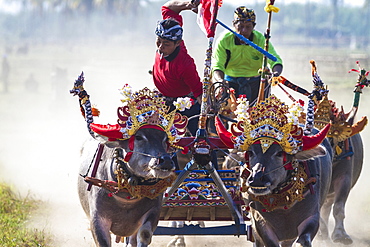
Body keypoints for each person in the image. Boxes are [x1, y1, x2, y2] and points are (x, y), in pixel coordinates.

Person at [212, 6, 283, 105]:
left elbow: (276, 60)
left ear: (253, 26)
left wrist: (275, 75)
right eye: (240, 26)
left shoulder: (261, 40)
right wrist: (220, 81)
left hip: (257, 84)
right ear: (234, 25)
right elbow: (217, 65)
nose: (244, 31)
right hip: (230, 85)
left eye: (248, 27)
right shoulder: (224, 40)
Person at [152, 0, 202, 137]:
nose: (160, 47)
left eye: (166, 44)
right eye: (158, 41)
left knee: (199, 141)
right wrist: (189, 4)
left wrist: (206, 112)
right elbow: (168, 8)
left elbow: (199, 94)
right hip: (161, 100)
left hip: (184, 105)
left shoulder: (185, 64)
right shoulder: (169, 30)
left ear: (178, 43)